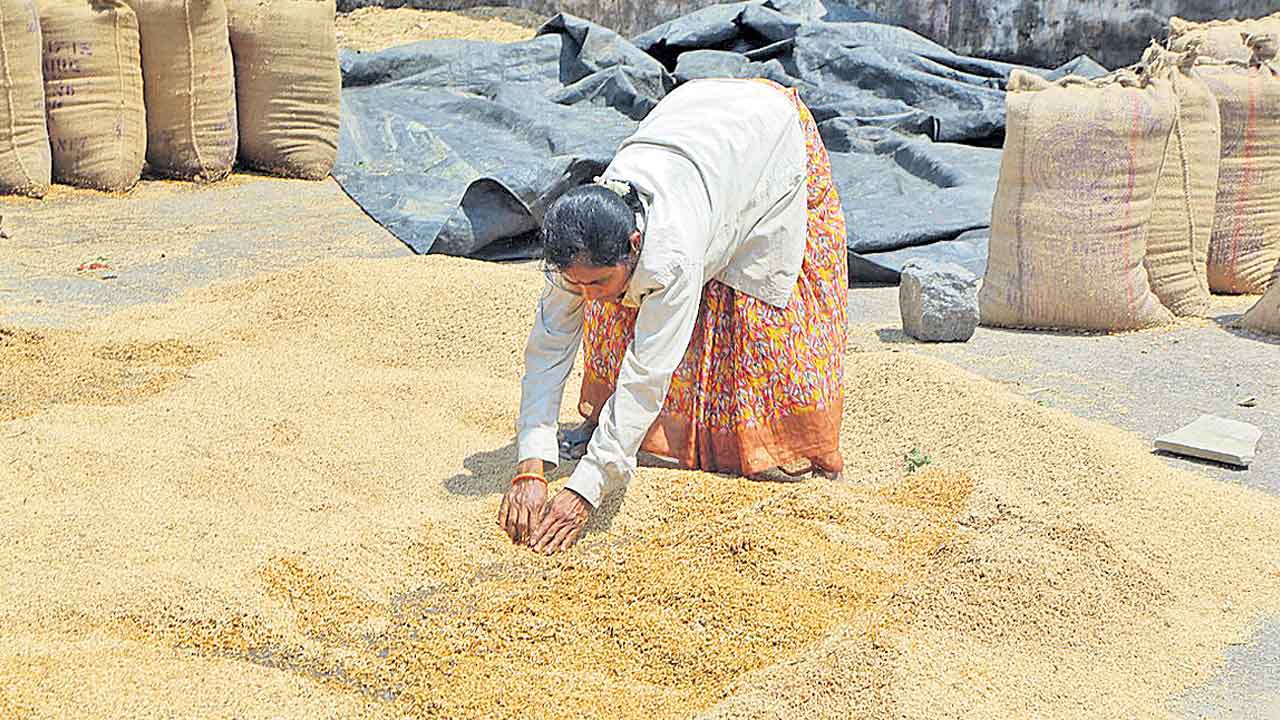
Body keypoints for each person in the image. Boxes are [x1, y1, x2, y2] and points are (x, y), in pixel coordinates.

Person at [499, 78, 849, 554]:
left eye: (597, 282)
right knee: (611, 315)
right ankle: (625, 435)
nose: (586, 294)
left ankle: (779, 446)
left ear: (635, 244)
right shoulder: (577, 249)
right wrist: (531, 465)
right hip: (692, 119)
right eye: (576, 284)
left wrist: (586, 490)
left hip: (764, 135)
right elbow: (549, 346)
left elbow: (648, 373)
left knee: (754, 310)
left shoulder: (671, 254)